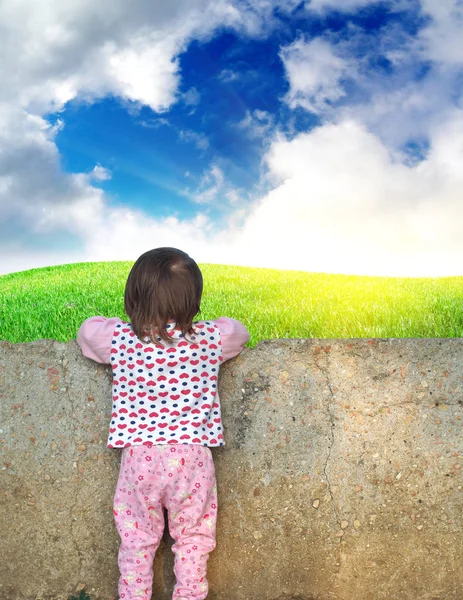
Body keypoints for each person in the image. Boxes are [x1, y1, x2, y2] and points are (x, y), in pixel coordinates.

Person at [77, 247, 249, 600]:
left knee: (137, 539)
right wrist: (196, 324)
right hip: (192, 460)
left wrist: (132, 322)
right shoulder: (209, 339)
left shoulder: (121, 340)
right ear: (194, 302)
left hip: (140, 459)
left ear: (133, 299)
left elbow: (87, 332)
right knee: (194, 539)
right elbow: (239, 332)